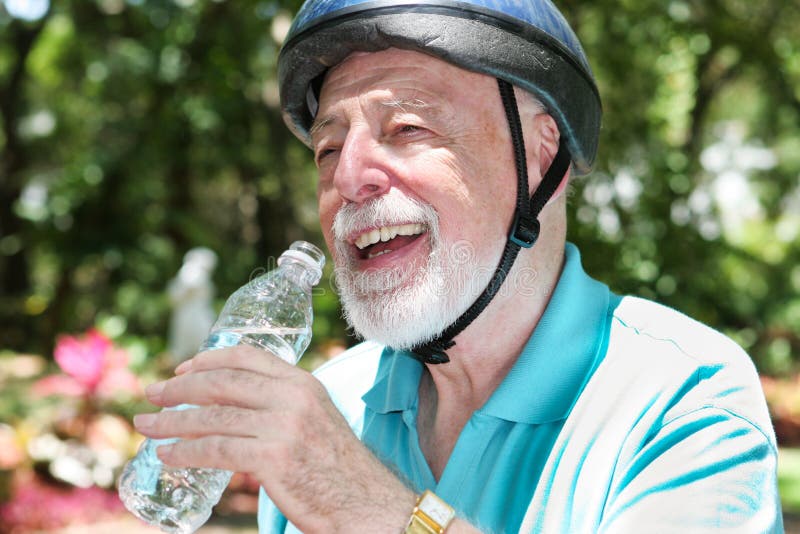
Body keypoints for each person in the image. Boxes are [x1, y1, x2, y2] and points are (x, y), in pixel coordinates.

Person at [132, 0, 783, 532]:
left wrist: (364, 505)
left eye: (408, 127)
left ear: (538, 153)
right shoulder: (330, 403)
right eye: (328, 148)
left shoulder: (683, 395)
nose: (348, 176)